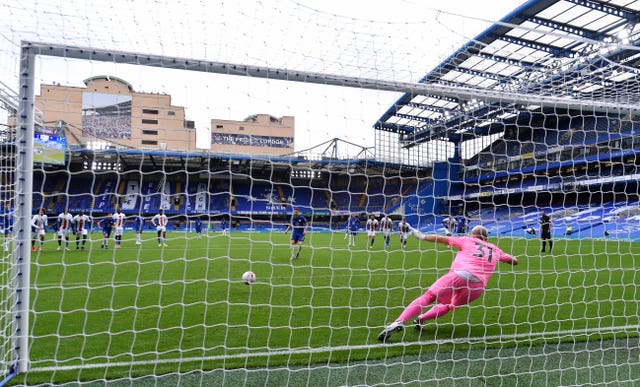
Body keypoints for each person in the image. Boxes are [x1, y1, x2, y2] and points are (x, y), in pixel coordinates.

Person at [378, 225, 518, 342]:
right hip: (478, 286)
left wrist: (422, 236)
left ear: (473, 235)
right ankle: (421, 319)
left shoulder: (467, 240)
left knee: (428, 297)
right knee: (450, 305)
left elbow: (442, 239)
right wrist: (512, 258)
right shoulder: (495, 249)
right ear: (486, 238)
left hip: (460, 274)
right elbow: (514, 261)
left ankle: (399, 321)